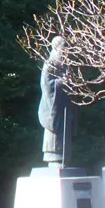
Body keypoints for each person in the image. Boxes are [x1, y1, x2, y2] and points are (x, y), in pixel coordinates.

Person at [38, 36, 73, 166]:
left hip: (64, 104)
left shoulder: (65, 64)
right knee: (55, 134)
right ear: (56, 47)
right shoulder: (50, 64)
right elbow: (47, 85)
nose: (66, 50)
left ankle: (64, 157)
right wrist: (62, 82)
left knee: (65, 132)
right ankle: (53, 156)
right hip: (53, 106)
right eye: (63, 47)